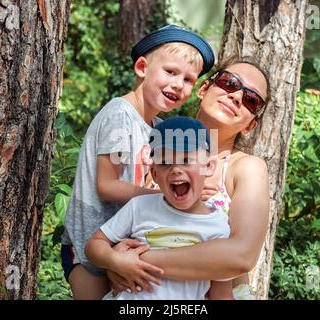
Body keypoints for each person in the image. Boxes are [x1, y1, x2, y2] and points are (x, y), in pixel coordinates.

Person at [60, 25, 215, 299]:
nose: (179, 84)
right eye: (171, 72)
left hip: (123, 243)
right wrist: (160, 195)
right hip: (90, 244)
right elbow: (107, 185)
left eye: (189, 80)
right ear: (142, 67)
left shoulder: (158, 128)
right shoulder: (121, 117)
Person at [99, 56, 271, 300]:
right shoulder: (155, 145)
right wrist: (112, 260)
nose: (237, 97)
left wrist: (133, 261)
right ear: (204, 88)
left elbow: (241, 255)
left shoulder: (246, 168)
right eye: (230, 83)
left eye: (251, 100)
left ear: (250, 126)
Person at [86, 116, 233, 300]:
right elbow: (94, 245)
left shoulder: (218, 228)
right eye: (165, 163)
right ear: (154, 174)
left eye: (186, 160)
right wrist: (114, 261)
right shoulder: (139, 207)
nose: (176, 169)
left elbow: (221, 295)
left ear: (209, 166)